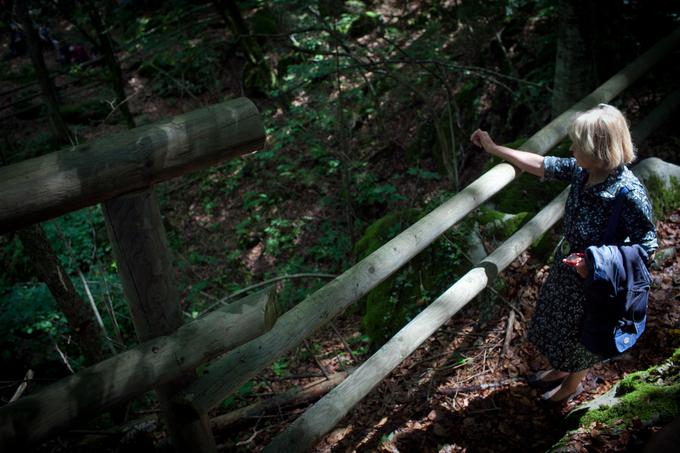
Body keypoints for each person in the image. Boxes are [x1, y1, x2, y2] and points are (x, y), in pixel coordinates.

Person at [470, 103, 657, 403]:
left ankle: (572, 386)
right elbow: (541, 164)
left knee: (585, 334)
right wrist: (495, 149)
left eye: (577, 144)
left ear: (598, 150)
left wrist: (598, 263)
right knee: (562, 327)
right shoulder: (583, 172)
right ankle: (560, 370)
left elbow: (647, 246)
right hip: (569, 271)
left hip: (596, 284)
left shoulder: (628, 193)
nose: (571, 148)